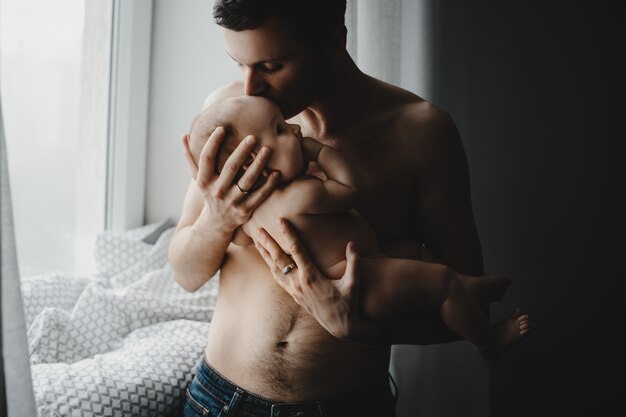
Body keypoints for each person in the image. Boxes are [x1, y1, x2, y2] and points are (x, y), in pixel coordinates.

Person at [168, 1, 528, 416]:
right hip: (220, 400)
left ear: (334, 41)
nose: (250, 89)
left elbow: (467, 298)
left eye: (272, 66)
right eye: (239, 64)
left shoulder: (420, 133)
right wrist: (218, 219)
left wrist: (362, 330)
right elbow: (184, 272)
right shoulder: (232, 123)